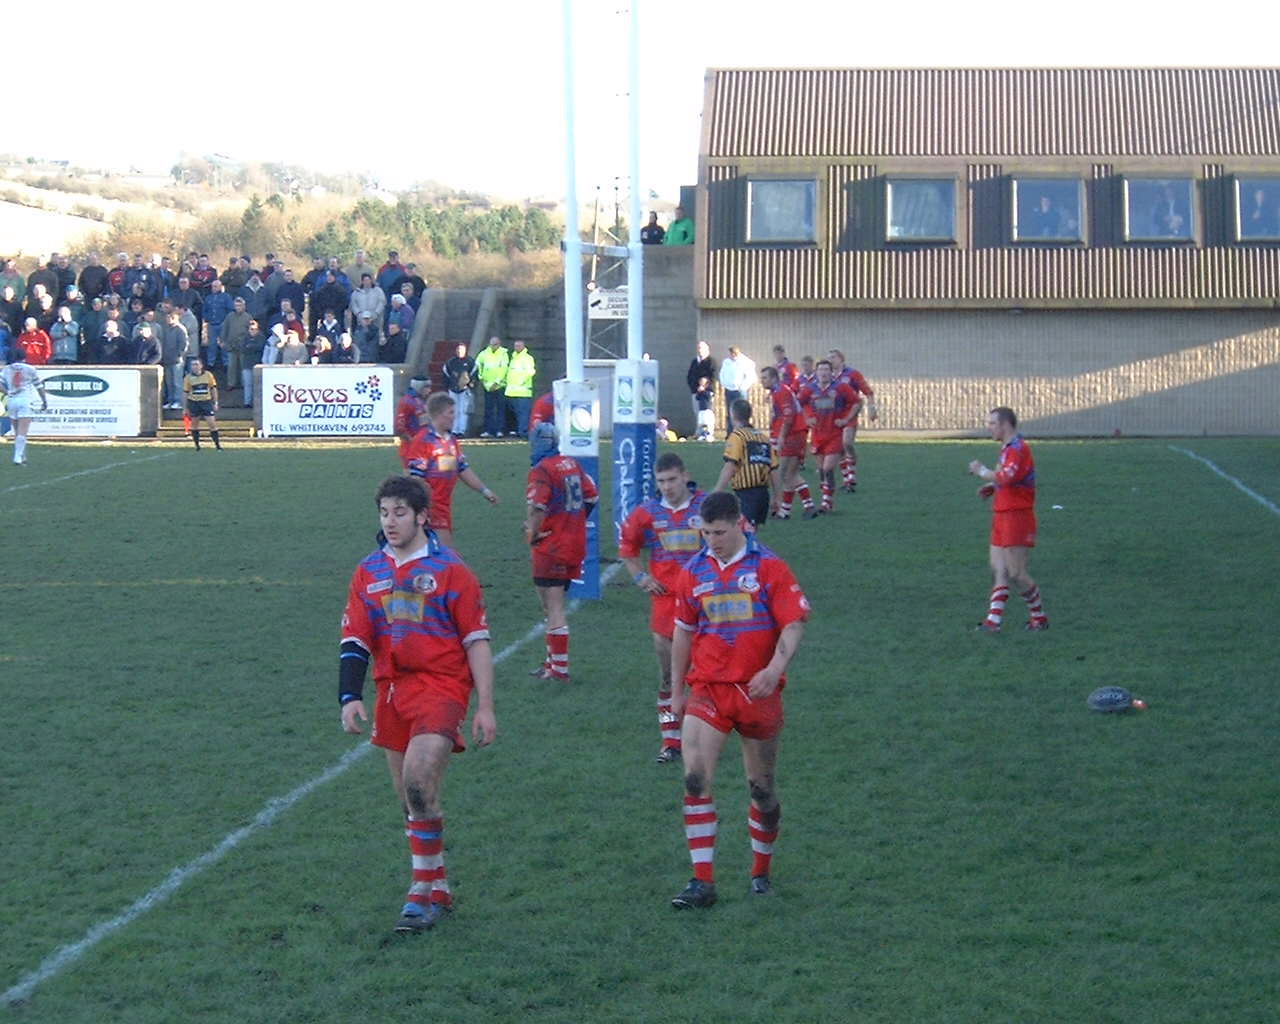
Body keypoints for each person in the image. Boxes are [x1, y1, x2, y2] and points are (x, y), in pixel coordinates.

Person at [338, 475, 497, 934]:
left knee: (418, 780)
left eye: (400, 513)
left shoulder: (452, 571)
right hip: (392, 691)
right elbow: (355, 638)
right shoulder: (369, 570)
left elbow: (477, 641)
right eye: (384, 513)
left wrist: (484, 704)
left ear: (422, 516)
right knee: (411, 802)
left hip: (442, 686)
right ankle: (439, 884)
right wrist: (349, 695)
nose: (390, 522)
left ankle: (419, 895)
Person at [668, 490, 809, 909]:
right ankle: (702, 883)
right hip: (709, 688)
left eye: (720, 532)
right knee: (695, 779)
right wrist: (676, 690)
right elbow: (683, 632)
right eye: (706, 532)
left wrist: (773, 670)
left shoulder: (769, 567)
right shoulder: (693, 573)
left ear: (740, 524)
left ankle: (760, 871)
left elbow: (795, 624)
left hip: (757, 692)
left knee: (761, 790)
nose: (712, 540)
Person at [618, 453, 708, 764]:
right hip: (666, 606)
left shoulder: (706, 507)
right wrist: (641, 577)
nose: (667, 487)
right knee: (670, 676)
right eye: (661, 481)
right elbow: (627, 548)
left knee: (704, 676)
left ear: (685, 476)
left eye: (671, 480)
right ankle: (671, 742)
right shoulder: (647, 513)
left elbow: (741, 537)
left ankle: (702, 735)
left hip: (705, 606)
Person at [524, 422, 598, 682]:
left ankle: (559, 670)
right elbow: (592, 496)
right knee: (554, 605)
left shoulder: (542, 470)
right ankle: (552, 663)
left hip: (551, 546)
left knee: (552, 607)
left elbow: (538, 508)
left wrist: (532, 534)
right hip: (574, 543)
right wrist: (574, 520)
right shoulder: (571, 463)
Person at [968, 407, 1048, 633]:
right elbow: (1006, 480)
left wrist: (981, 471)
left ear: (1005, 425)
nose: (989, 427)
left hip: (1017, 515)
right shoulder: (1007, 449)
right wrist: (992, 487)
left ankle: (1039, 618)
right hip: (1002, 514)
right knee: (1000, 570)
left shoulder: (1018, 449)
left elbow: (1008, 476)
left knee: (1017, 574)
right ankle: (993, 623)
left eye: (992, 423)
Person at [402, 391, 499, 549]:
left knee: (434, 556)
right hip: (429, 508)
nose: (454, 416)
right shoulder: (424, 440)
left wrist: (485, 491)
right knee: (446, 556)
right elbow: (416, 478)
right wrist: (425, 507)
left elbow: (461, 469)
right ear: (439, 414)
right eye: (451, 412)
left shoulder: (451, 440)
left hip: (444, 506)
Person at [797, 359, 858, 515]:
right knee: (822, 471)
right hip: (818, 435)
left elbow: (856, 403)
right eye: (820, 370)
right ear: (816, 373)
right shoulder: (810, 389)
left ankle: (826, 503)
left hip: (834, 434)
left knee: (828, 468)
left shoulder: (841, 387)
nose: (823, 372)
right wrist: (807, 417)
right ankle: (828, 500)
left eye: (826, 369)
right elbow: (800, 403)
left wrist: (845, 419)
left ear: (831, 372)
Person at [760, 365, 814, 519]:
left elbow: (788, 417)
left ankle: (779, 507)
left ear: (774, 378)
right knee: (790, 474)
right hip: (795, 434)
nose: (762, 381)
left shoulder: (781, 392)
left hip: (792, 435)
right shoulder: (777, 391)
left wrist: (781, 436)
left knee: (780, 472)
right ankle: (796, 509)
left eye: (765, 378)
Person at [714, 399, 777, 527]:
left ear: (732, 415)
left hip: (747, 495)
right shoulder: (763, 438)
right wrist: (777, 497)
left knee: (742, 534)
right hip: (763, 494)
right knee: (751, 533)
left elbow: (731, 465)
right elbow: (774, 469)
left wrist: (718, 491)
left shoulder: (737, 436)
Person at [828, 349, 877, 492]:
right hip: (834, 415)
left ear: (841, 359)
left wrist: (872, 408)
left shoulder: (852, 374)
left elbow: (868, 392)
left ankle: (852, 474)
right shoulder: (828, 376)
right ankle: (848, 479)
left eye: (833, 357)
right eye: (829, 358)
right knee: (839, 448)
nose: (831, 360)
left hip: (850, 412)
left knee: (847, 442)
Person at [0, 345, 49, 465]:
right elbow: (39, 386)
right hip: (25, 400)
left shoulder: (6, 369)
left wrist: (8, 393)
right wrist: (44, 400)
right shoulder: (30, 369)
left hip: (12, 400)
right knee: (23, 431)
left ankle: (22, 456)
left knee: (17, 431)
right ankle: (17, 457)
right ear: (23, 357)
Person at [183, 357, 222, 451]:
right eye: (193, 365)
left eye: (196, 364)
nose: (194, 367)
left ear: (201, 366)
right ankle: (197, 446)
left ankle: (217, 445)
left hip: (206, 402)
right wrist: (185, 407)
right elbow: (185, 393)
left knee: (212, 424)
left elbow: (213, 389)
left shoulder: (208, 375)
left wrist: (215, 402)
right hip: (194, 402)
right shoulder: (188, 378)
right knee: (194, 424)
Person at [717, 345, 757, 436]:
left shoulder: (746, 362)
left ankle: (743, 432)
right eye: (731, 354)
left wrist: (742, 387)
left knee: (741, 412)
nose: (733, 356)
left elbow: (751, 377)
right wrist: (726, 384)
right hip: (729, 390)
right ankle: (730, 433)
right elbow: (722, 375)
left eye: (734, 354)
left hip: (740, 391)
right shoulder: (726, 362)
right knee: (730, 412)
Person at [475, 336, 510, 438]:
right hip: (487, 386)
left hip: (499, 386)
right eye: (491, 344)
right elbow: (477, 365)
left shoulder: (503, 354)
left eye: (495, 344)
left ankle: (500, 430)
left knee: (500, 409)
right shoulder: (484, 353)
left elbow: (504, 369)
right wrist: (481, 377)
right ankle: (488, 430)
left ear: (499, 344)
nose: (493, 346)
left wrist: (497, 382)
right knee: (488, 409)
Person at [441, 342, 476, 436]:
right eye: (458, 349)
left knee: (463, 410)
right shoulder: (450, 362)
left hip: (465, 390)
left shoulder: (470, 362)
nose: (460, 351)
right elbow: (446, 374)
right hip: (452, 389)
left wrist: (469, 385)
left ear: (465, 350)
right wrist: (448, 386)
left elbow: (474, 374)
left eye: (461, 349)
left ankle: (462, 430)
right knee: (454, 410)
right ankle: (454, 430)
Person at [504, 339, 536, 438]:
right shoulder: (513, 358)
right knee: (516, 414)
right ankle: (518, 431)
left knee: (523, 414)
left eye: (518, 346)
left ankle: (523, 432)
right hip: (511, 392)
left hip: (523, 392)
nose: (516, 347)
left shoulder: (527, 358)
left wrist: (521, 382)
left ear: (523, 347)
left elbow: (530, 372)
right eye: (515, 346)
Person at [395, 378, 430, 463]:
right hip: (410, 448)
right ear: (419, 387)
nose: (429, 390)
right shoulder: (406, 402)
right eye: (427, 387)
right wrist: (413, 441)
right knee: (412, 474)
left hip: (422, 445)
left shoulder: (420, 400)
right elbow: (399, 427)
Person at [686, 341, 716, 441]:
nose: (700, 350)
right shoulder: (695, 362)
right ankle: (699, 432)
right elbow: (690, 376)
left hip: (707, 393)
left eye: (702, 348)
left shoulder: (711, 361)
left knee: (707, 413)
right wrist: (694, 388)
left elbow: (712, 376)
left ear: (707, 350)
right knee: (697, 412)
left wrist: (704, 386)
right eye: (698, 348)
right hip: (696, 392)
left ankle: (709, 433)